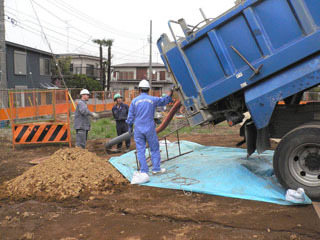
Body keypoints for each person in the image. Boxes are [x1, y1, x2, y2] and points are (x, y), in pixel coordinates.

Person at [126, 80, 173, 184]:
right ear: (149, 90)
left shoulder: (134, 101)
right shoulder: (153, 99)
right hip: (149, 127)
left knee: (140, 150)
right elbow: (165, 100)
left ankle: (144, 171)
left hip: (138, 128)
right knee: (154, 148)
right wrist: (171, 92)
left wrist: (130, 127)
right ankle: (156, 169)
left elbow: (130, 117)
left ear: (139, 89)